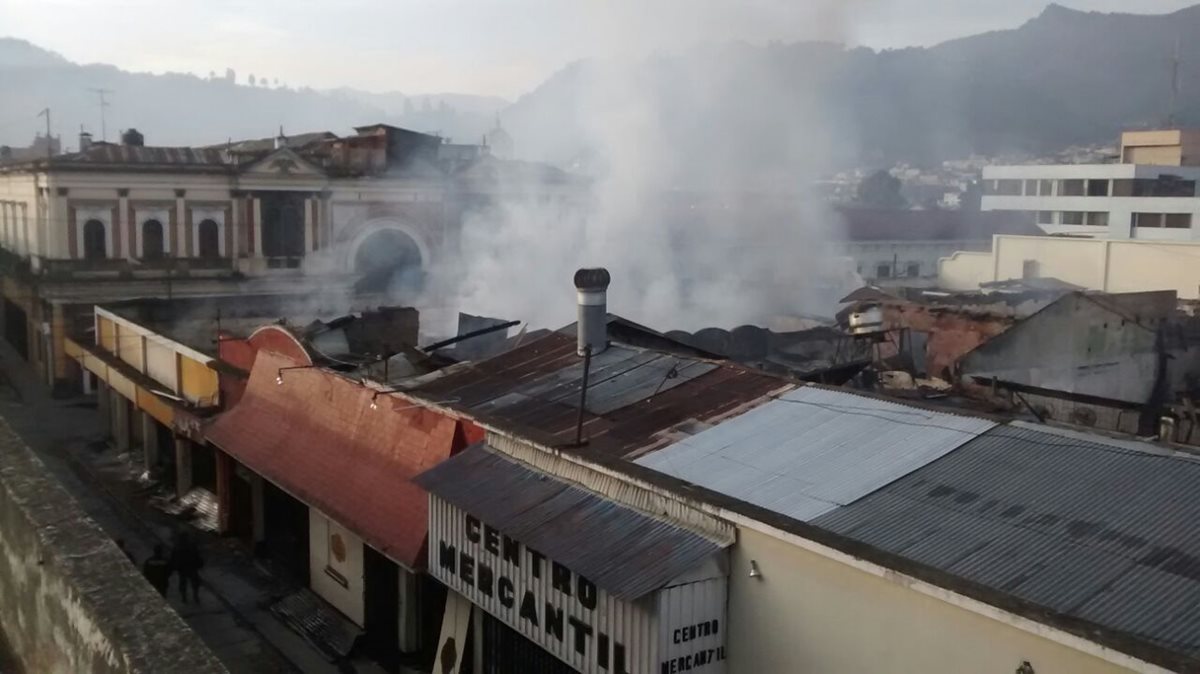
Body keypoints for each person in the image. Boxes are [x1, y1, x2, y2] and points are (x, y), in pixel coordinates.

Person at [170, 531, 204, 604]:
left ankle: (184, 597)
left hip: (183, 568)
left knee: (183, 583)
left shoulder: (177, 547)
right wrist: (199, 564)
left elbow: (173, 558)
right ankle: (194, 596)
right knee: (194, 583)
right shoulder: (191, 545)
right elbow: (197, 555)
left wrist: (173, 567)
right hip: (191, 567)